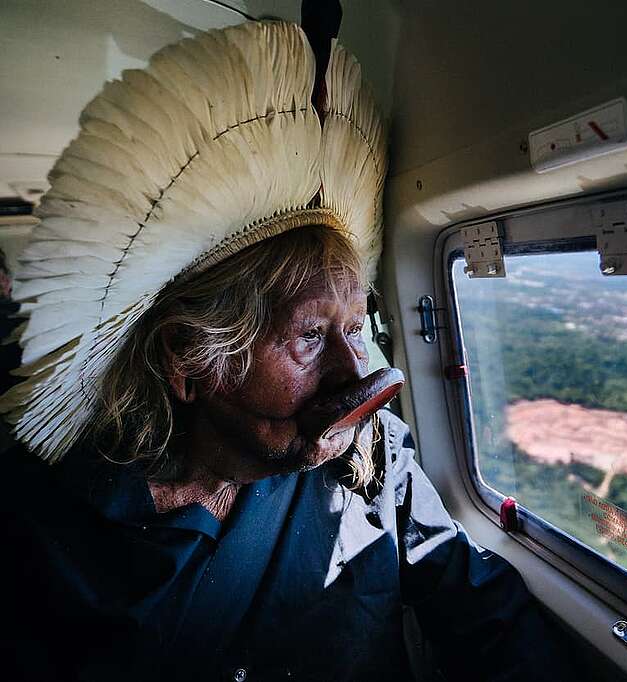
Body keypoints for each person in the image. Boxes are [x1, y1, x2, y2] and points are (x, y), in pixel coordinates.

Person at [0, 21, 573, 682]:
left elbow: (485, 614)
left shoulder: (371, 457)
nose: (353, 372)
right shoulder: (45, 530)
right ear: (189, 361)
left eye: (356, 328)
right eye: (310, 336)